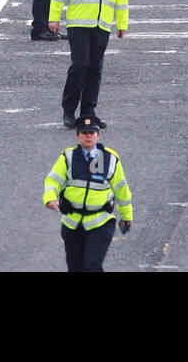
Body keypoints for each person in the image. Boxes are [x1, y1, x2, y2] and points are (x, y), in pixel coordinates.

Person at [48, 0, 127, 129]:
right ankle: (69, 110)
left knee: (95, 69)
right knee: (80, 65)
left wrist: (122, 23)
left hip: (102, 25)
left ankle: (88, 113)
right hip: (79, 24)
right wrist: (53, 18)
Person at [43, 117, 133, 272]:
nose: (88, 136)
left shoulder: (110, 159)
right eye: (84, 133)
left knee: (92, 266)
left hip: (100, 222)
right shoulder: (68, 157)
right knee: (75, 268)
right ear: (78, 136)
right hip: (72, 223)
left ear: (98, 135)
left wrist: (127, 216)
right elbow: (53, 181)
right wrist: (50, 198)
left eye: (92, 132)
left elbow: (121, 189)